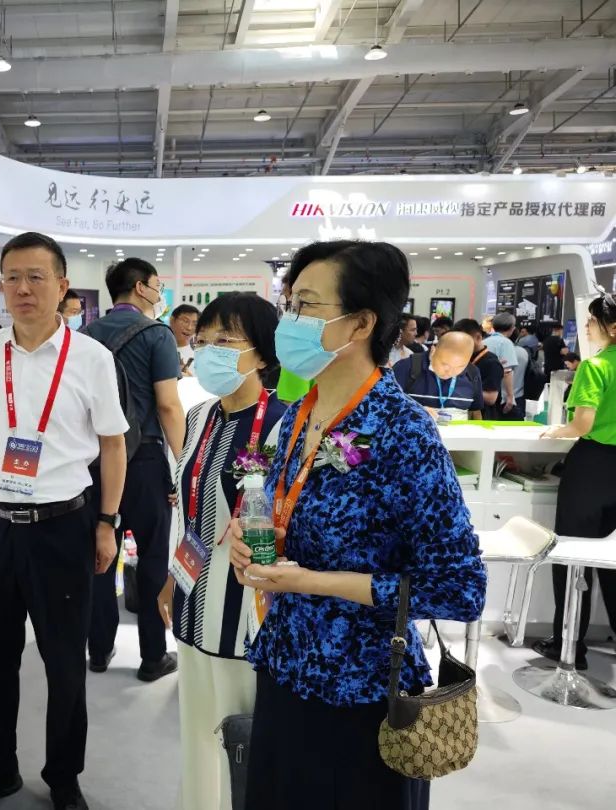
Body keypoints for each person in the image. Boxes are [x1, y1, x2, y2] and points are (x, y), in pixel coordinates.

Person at [228, 240, 485, 810]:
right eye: (289, 304)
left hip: (363, 692)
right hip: (284, 668)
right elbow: (286, 513)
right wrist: (250, 539)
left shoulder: (404, 432)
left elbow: (460, 588)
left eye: (307, 306)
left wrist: (314, 582)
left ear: (363, 323)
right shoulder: (301, 414)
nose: (289, 321)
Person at [0, 231, 128, 810]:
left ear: (63, 286)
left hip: (63, 526)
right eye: (11, 277)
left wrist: (108, 522)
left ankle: (63, 775)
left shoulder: (91, 358)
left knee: (64, 660)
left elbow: (113, 445)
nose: (22, 288)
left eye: (36, 277)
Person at [156, 293, 286, 810]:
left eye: (225, 340)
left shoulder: (284, 424)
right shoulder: (199, 416)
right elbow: (190, 510)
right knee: (196, 733)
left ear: (262, 352)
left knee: (242, 739)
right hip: (193, 602)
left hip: (248, 615)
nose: (208, 351)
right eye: (202, 340)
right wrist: (171, 578)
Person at [85, 257, 186, 680]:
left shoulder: (84, 336)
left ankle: (98, 650)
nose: (160, 293)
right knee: (152, 558)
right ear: (141, 287)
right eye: (157, 285)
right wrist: (185, 464)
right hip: (143, 460)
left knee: (98, 555)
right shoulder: (157, 334)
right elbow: (168, 405)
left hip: (94, 463)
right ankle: (152, 656)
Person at [533, 295, 616, 670]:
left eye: (592, 320)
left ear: (611, 327)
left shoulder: (596, 366)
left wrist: (558, 431)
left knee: (571, 554)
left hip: (593, 467)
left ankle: (569, 644)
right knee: (612, 558)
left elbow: (582, 424)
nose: (586, 326)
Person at [392, 331, 484, 420]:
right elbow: (387, 404)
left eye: (460, 367)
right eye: (445, 364)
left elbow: (475, 412)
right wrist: (413, 410)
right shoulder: (407, 367)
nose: (450, 372)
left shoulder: (472, 373)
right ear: (433, 350)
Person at [456, 318, 507, 420]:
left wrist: (459, 389)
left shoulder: (491, 362)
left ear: (478, 337)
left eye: (464, 340)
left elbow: (491, 398)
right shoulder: (466, 356)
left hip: (484, 418)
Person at [484, 312, 519, 415]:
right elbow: (507, 372)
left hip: (484, 392)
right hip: (499, 396)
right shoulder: (506, 343)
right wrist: (510, 397)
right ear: (512, 328)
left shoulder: (484, 341)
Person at [170, 304, 200, 377]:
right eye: (185, 321)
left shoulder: (199, 355)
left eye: (194, 324)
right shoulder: (159, 348)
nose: (189, 328)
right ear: (172, 320)